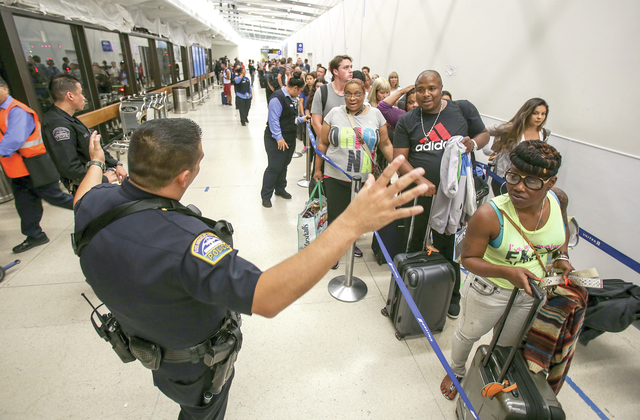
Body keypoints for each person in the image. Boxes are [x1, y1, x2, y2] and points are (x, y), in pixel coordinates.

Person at [74, 115, 428, 420]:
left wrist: (95, 163)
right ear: (184, 177)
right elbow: (267, 297)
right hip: (191, 365)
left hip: (141, 331)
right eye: (198, 162)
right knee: (201, 410)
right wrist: (351, 223)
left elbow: (82, 196)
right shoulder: (188, 245)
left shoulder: (94, 203)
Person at [439, 140, 573, 400]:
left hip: (530, 292)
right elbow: (468, 260)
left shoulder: (559, 200)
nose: (518, 187)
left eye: (532, 181)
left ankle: (487, 373)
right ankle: (455, 371)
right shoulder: (489, 215)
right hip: (490, 289)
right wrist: (508, 272)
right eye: (513, 176)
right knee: (469, 334)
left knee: (506, 342)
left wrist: (562, 255)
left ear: (551, 183)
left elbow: (563, 231)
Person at [393, 69, 490, 318]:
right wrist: (421, 180)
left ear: (441, 88)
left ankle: (451, 296)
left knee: (448, 245)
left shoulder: (462, 109)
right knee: (414, 243)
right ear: (414, 90)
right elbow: (399, 158)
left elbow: (483, 134)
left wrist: (474, 144)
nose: (426, 94)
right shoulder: (408, 120)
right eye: (420, 89)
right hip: (419, 193)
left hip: (452, 196)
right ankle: (409, 291)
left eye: (432, 88)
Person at [313, 79, 394, 267]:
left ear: (365, 93)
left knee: (356, 216)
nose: (352, 98)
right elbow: (323, 143)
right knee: (335, 214)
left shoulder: (376, 115)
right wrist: (318, 169)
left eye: (357, 93)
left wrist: (398, 165)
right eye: (348, 93)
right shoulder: (334, 113)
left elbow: (385, 143)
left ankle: (349, 244)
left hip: (363, 178)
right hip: (335, 174)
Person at [0, 76, 73, 253]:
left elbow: (14, 139)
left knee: (56, 197)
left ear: (5, 89)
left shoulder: (17, 110)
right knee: (25, 204)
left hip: (36, 165)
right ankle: (35, 235)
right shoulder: (3, 111)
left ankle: (98, 209)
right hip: (18, 170)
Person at [41, 74, 126, 194]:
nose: (84, 98)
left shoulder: (69, 118)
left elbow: (92, 148)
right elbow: (70, 167)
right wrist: (102, 179)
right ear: (70, 95)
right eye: (80, 93)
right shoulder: (58, 125)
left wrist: (115, 163)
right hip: (87, 186)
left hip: (96, 180)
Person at [260, 72, 307, 208]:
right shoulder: (277, 98)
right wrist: (279, 138)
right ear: (295, 88)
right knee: (274, 167)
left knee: (284, 164)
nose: (299, 94)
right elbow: (273, 120)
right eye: (299, 91)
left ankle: (280, 189)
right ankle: (266, 196)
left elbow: (288, 117)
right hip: (276, 139)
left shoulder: (291, 98)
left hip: (289, 137)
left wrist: (300, 119)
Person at [488, 98, 550, 196]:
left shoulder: (544, 133)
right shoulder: (512, 128)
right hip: (505, 178)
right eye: (535, 113)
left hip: (526, 180)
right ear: (527, 113)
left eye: (543, 114)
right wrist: (488, 150)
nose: (539, 117)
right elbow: (484, 131)